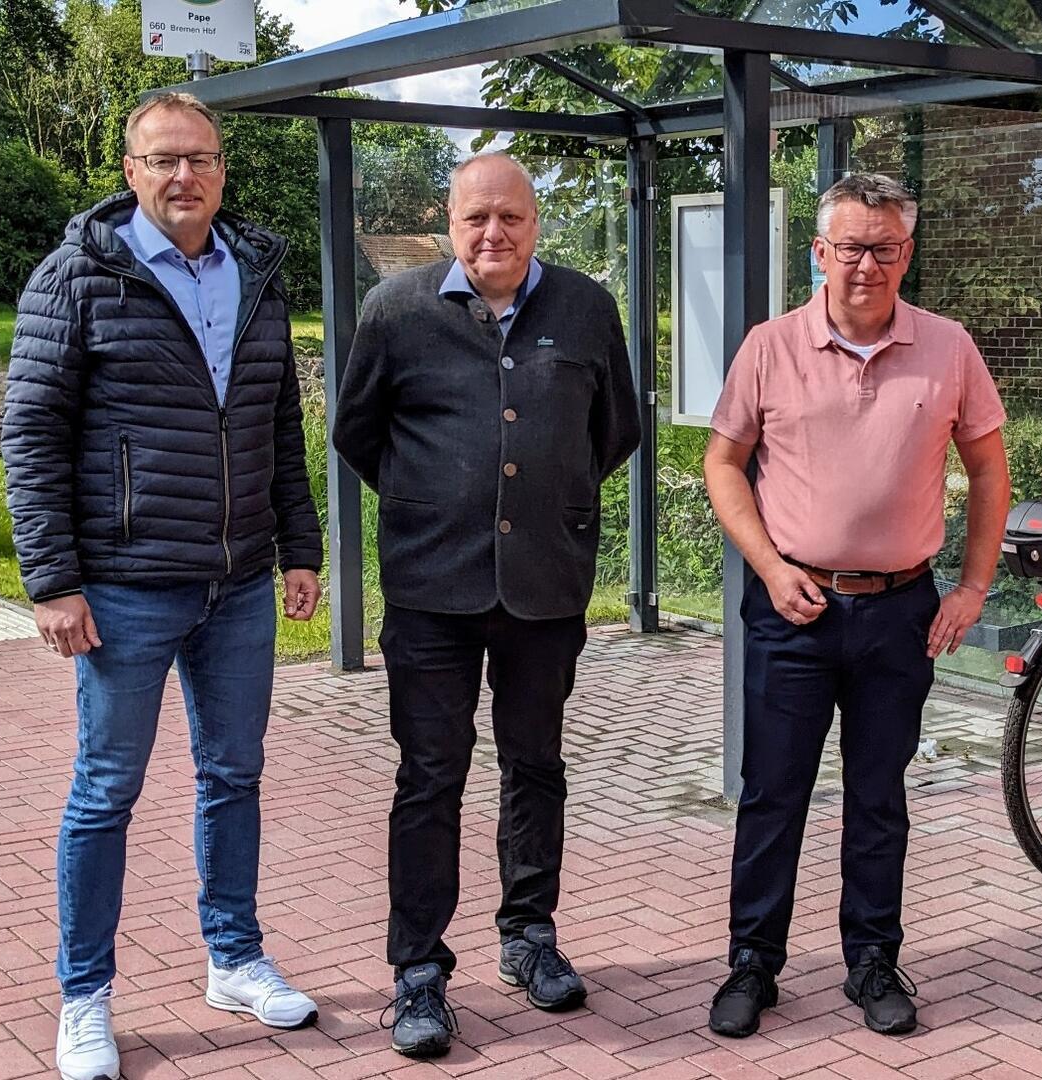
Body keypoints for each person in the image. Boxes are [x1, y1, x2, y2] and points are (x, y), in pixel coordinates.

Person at [3, 91, 325, 1080]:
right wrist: (54, 579)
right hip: (127, 586)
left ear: (223, 169)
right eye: (162, 160)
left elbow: (277, 426)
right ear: (131, 172)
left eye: (199, 158)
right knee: (107, 790)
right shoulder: (77, 278)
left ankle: (234, 959)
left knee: (233, 775)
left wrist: (298, 547)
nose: (183, 175)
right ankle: (85, 996)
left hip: (235, 584)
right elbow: (31, 433)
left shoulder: (258, 274)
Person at [333, 154, 641, 1059]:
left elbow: (611, 430)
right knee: (430, 777)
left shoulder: (585, 308)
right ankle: (419, 970)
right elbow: (359, 431)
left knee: (535, 766)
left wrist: (554, 505)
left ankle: (529, 936)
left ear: (536, 221)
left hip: (545, 586)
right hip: (432, 590)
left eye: (509, 218)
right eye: (476, 220)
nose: (492, 235)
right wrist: (434, 499)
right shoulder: (398, 309)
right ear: (450, 224)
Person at [701, 172, 1011, 1040]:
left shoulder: (948, 347)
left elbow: (989, 470)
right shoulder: (770, 345)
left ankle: (872, 959)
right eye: (849, 248)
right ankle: (752, 963)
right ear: (819, 254)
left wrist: (974, 587)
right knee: (773, 794)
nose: (865, 264)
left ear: (906, 254)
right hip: (792, 606)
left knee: (879, 796)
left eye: (883, 248)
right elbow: (723, 464)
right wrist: (765, 565)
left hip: (899, 612)